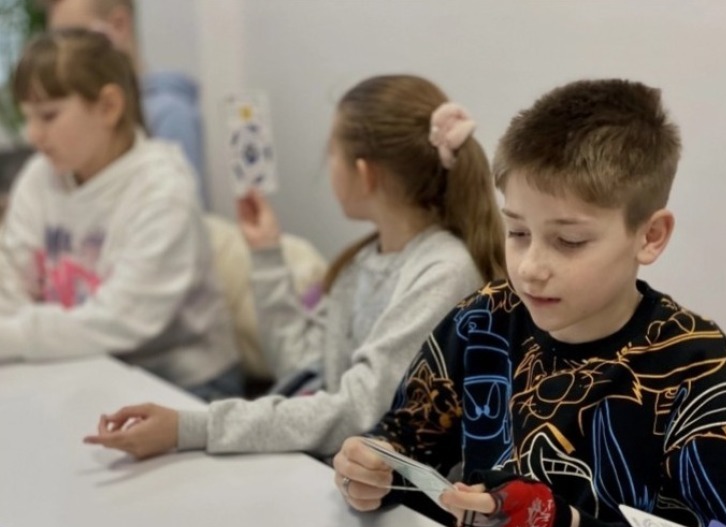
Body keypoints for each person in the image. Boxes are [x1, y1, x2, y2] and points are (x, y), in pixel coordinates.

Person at [332, 78, 726, 527]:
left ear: (649, 236)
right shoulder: (483, 321)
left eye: (569, 242)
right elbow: (408, 441)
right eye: (517, 231)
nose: (531, 266)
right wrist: (375, 470)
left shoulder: (698, 368)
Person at [83, 74, 505, 460]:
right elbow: (301, 363)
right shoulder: (363, 262)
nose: (328, 166)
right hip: (331, 471)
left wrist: (193, 427)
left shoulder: (443, 273)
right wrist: (266, 254)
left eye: (331, 154)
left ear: (365, 174)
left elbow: (359, 412)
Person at [0, 29, 238, 399]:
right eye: (27, 117)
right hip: (77, 362)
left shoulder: (162, 188)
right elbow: (9, 282)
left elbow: (123, 321)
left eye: (48, 116)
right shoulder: (39, 176)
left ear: (109, 107)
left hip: (182, 381)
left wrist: (13, 336)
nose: (33, 135)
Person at [44, 0, 208, 205]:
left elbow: (181, 213)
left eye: (75, 40)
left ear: (118, 24)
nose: (61, 58)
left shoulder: (169, 116)